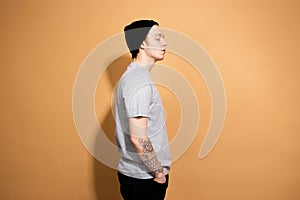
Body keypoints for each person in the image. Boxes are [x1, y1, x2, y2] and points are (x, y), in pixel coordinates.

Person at [115, 19, 171, 200]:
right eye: (157, 38)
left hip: (138, 176)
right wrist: (158, 173)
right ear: (141, 44)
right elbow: (138, 138)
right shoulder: (139, 81)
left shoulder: (133, 76)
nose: (164, 43)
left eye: (163, 37)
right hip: (144, 178)